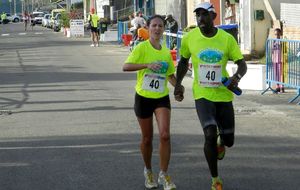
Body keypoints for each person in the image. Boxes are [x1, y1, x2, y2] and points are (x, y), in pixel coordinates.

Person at [174, 2, 247, 190]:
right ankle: (215, 179)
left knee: (229, 140)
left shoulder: (226, 39)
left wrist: (236, 77)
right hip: (202, 94)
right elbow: (183, 62)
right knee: (209, 134)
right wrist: (178, 84)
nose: (200, 19)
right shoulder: (190, 38)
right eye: (197, 15)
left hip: (223, 95)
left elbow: (242, 64)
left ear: (213, 17)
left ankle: (222, 142)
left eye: (204, 15)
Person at [123, 14, 182, 190]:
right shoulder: (141, 48)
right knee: (147, 139)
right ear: (148, 28)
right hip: (143, 97)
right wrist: (147, 65)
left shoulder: (165, 51)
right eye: (154, 25)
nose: (157, 28)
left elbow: (170, 76)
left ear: (164, 29)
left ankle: (164, 174)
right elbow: (125, 67)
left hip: (161, 97)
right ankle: (148, 170)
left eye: (160, 26)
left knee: (165, 135)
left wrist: (178, 88)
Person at [272, 28, 284, 93]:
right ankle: (277, 86)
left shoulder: (282, 41)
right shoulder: (274, 41)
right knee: (276, 73)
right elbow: (272, 50)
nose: (277, 36)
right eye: (275, 34)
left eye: (278, 34)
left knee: (281, 74)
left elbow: (284, 50)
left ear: (280, 34)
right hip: (275, 60)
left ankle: (282, 86)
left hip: (281, 59)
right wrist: (272, 57)